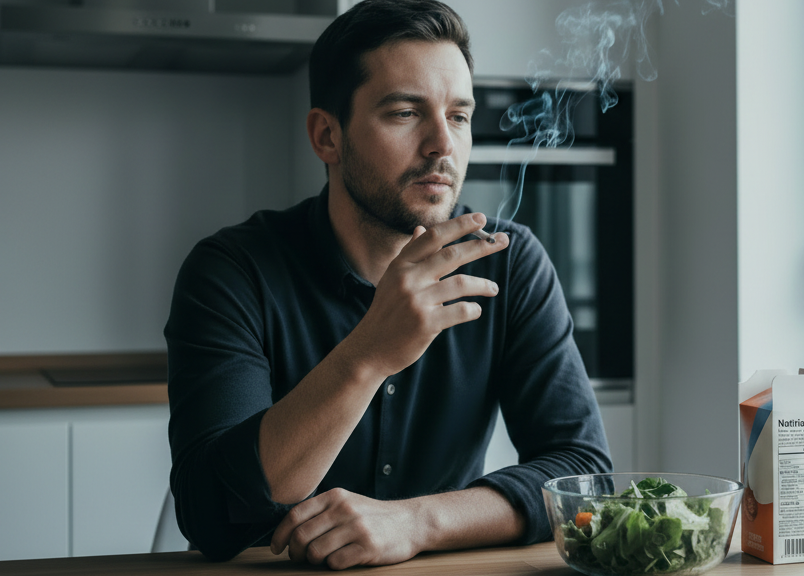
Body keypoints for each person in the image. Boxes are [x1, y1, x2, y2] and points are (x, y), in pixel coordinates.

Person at [164, 0, 612, 570]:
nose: (442, 145)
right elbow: (212, 516)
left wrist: (418, 521)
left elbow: (583, 475)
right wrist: (370, 351)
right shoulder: (232, 271)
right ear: (327, 135)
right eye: (405, 113)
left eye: (458, 116)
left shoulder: (510, 262)